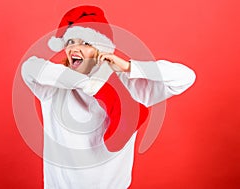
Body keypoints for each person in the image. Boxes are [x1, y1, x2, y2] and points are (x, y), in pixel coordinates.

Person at [21, 5, 196, 189]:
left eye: (85, 43)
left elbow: (185, 77)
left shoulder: (129, 86)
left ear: (101, 50)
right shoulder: (54, 85)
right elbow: (29, 68)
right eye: (70, 42)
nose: (74, 48)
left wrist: (129, 67)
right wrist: (90, 85)